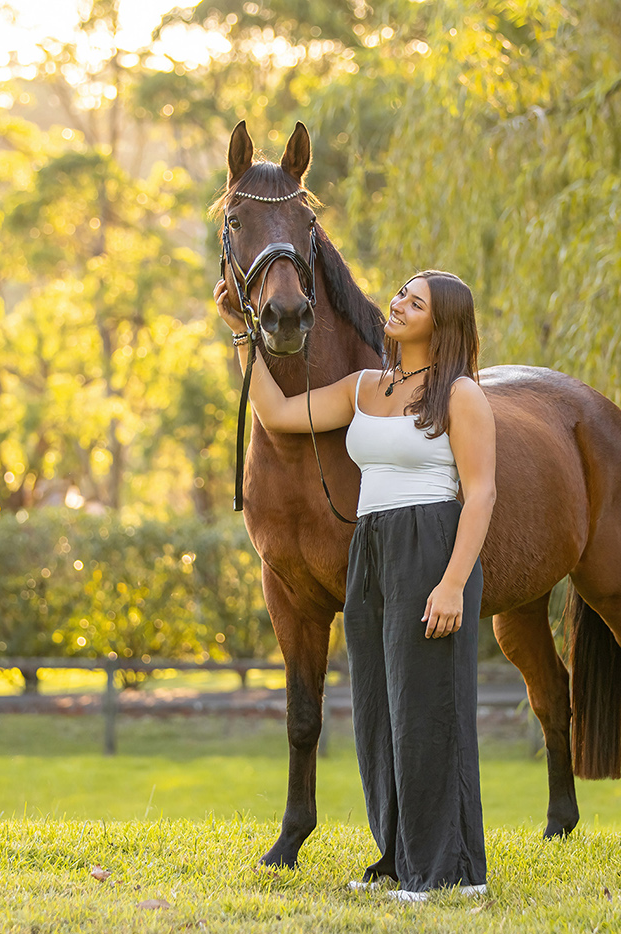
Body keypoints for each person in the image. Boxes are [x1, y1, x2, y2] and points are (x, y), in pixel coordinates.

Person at [214, 269, 497, 901]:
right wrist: (243, 333)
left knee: (428, 711)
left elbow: (481, 495)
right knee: (380, 708)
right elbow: (280, 412)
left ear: (442, 323)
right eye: (401, 293)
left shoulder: (460, 396)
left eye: (415, 302)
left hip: (431, 545)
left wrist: (452, 584)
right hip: (370, 548)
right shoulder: (366, 386)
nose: (397, 304)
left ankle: (447, 872)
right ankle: (397, 859)